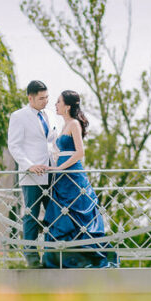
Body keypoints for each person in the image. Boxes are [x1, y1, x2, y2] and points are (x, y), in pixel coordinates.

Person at [42, 90, 118, 269]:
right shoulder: (64, 125)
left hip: (72, 173)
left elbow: (80, 152)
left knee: (78, 211)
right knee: (62, 214)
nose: (55, 105)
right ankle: (65, 258)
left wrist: (60, 167)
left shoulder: (74, 124)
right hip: (61, 175)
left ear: (67, 106)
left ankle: (88, 257)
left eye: (58, 102)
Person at [7, 80, 58, 268]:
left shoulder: (51, 115)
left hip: (52, 172)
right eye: (41, 98)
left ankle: (51, 257)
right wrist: (29, 166)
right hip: (31, 175)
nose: (45, 101)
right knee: (31, 215)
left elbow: (53, 142)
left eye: (47, 97)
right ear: (30, 98)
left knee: (55, 214)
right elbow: (14, 145)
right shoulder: (19, 116)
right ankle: (32, 258)